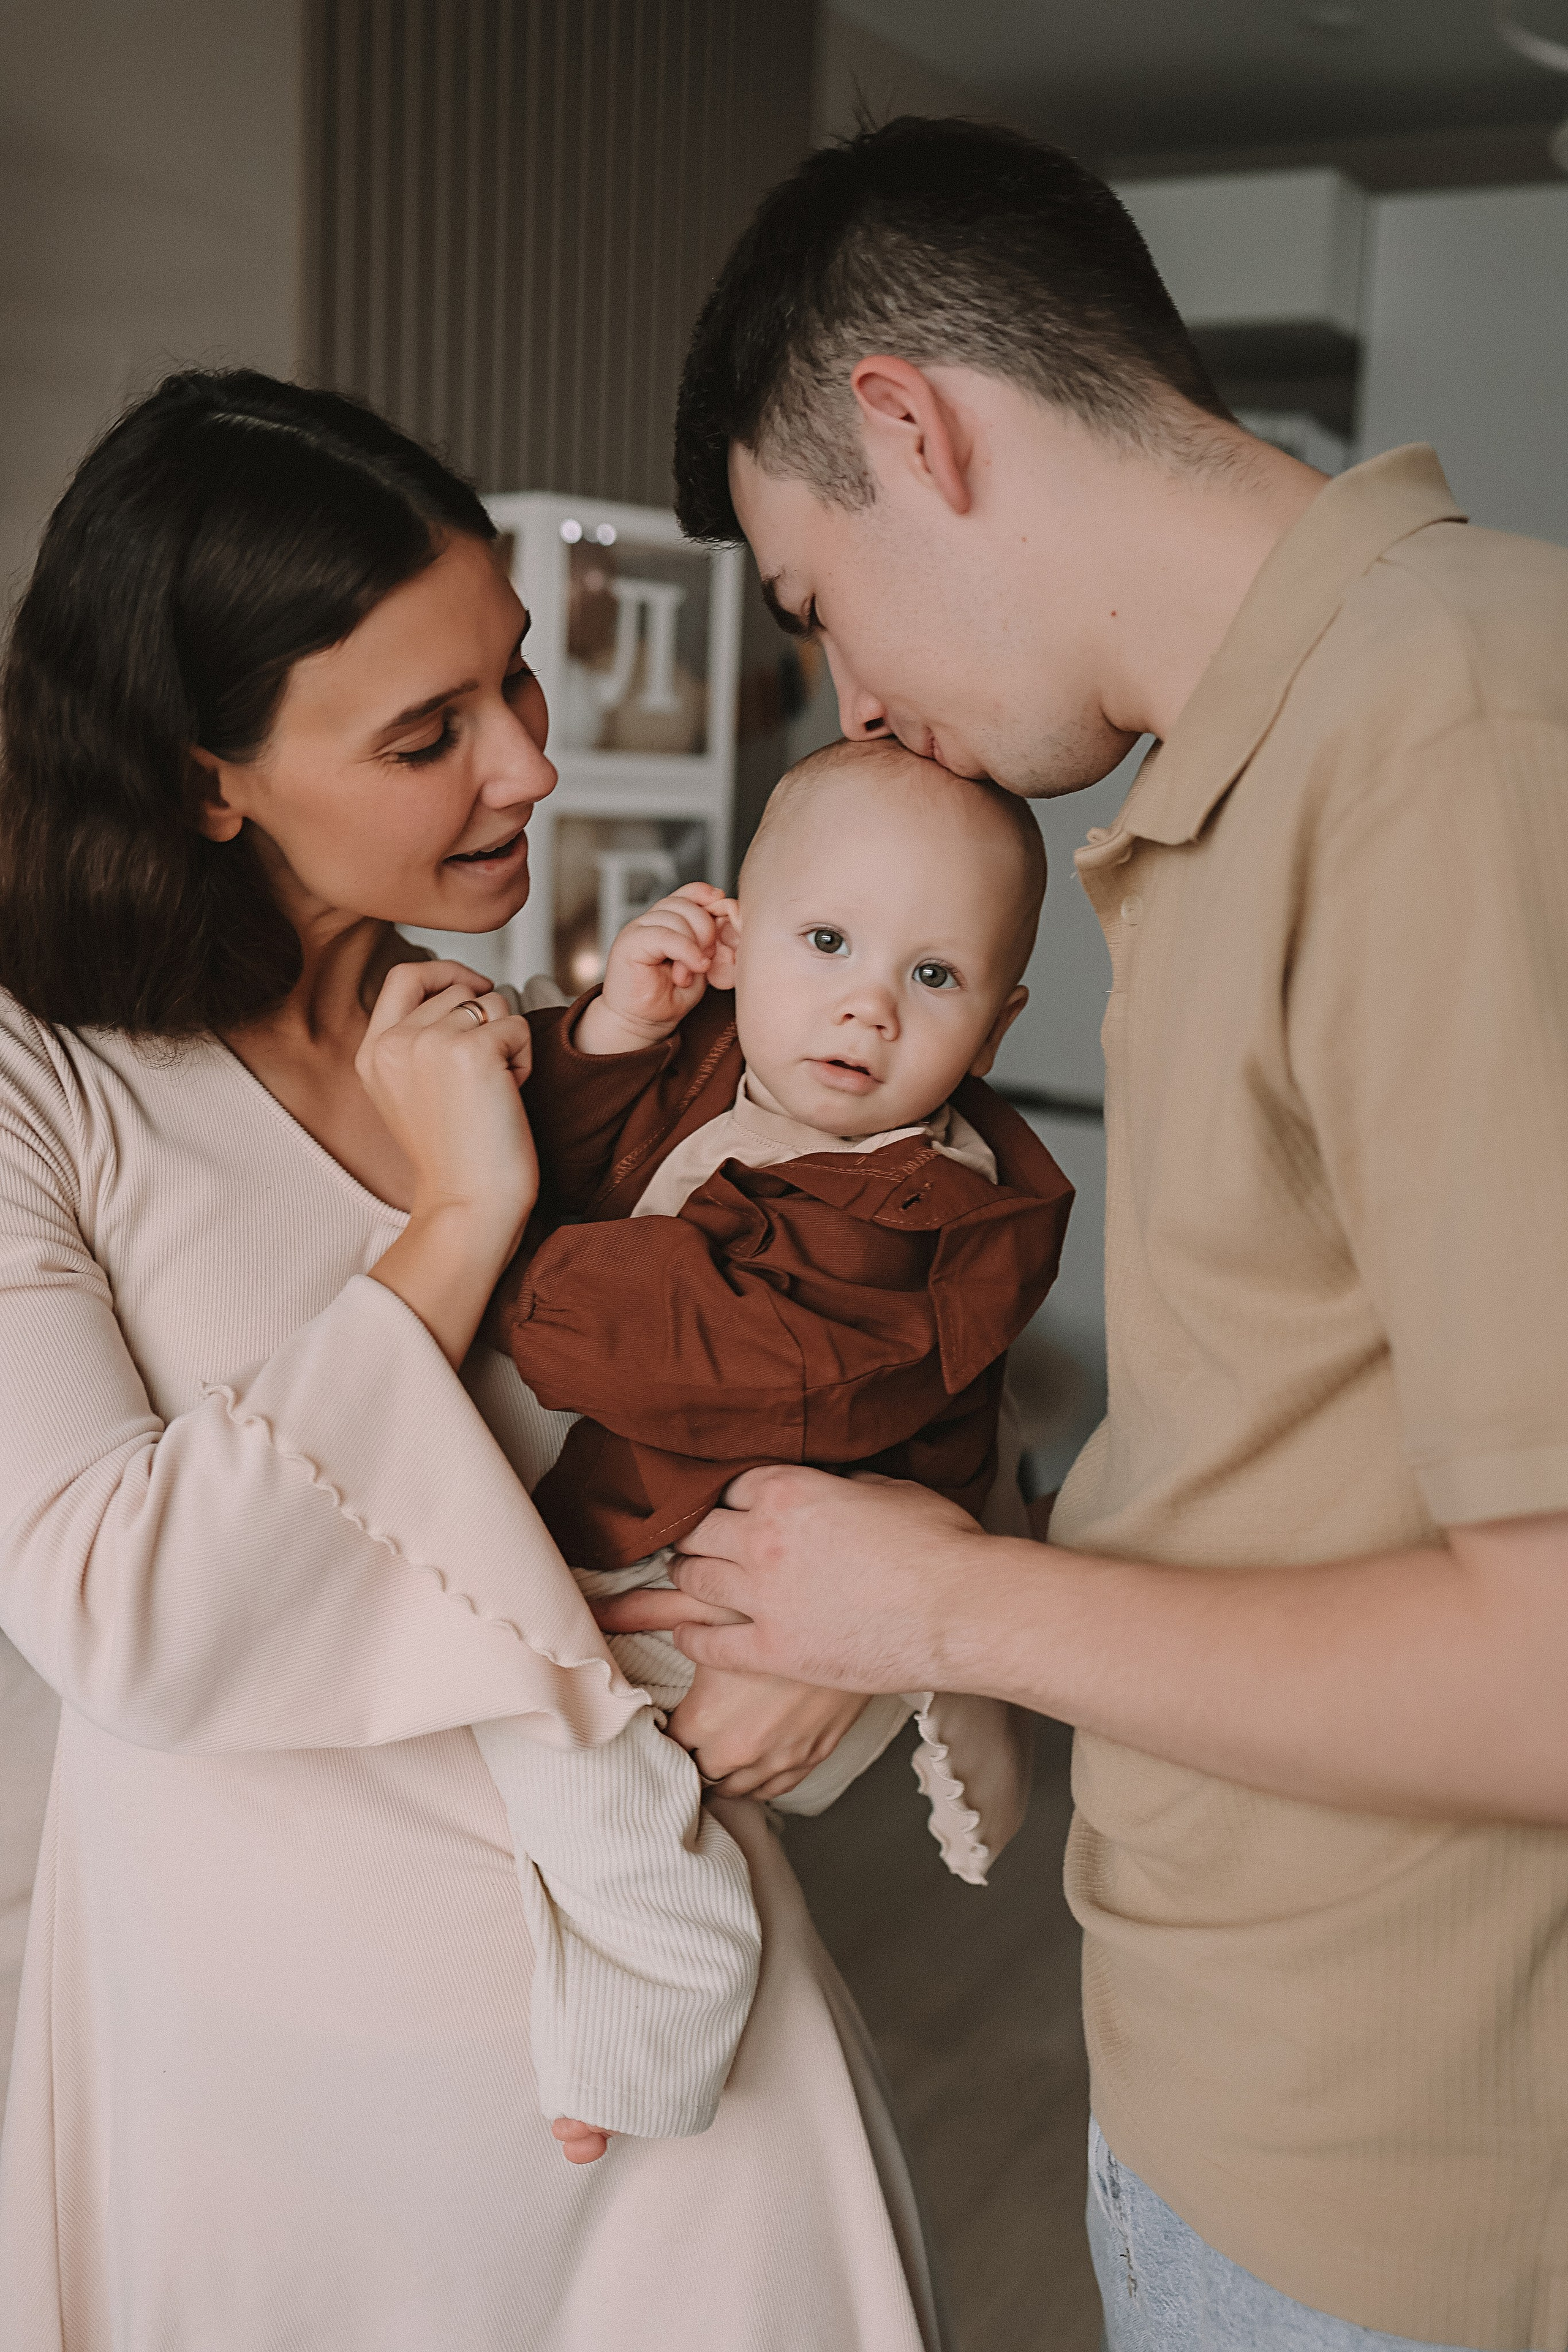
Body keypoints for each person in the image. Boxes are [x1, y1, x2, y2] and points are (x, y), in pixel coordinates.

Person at [600, 118, 1568, 2352]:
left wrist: (943, 1599)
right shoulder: (1275, 766)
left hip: (1385, 2170)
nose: (849, 702)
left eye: (817, 600)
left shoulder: (1451, 740)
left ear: (909, 427)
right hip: (1230, 2065)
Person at [0, 367, 951, 2350]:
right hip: (277, 2076)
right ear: (202, 777)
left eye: (516, 680)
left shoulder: (548, 1031)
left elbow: (886, 1329)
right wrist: (450, 1226)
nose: (529, 766)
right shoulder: (44, 1088)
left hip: (658, 2017)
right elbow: (121, 1609)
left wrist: (834, 1632)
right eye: (432, 733)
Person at [482, 739, 1071, 2154]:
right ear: (736, 943)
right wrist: (614, 1034)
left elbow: (709, 1346)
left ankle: (665, 1984)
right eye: (825, 942)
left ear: (993, 1029)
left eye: (932, 979)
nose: (865, 1005)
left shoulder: (915, 1206)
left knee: (545, 1730)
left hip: (759, 1588)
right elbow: (563, 1153)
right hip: (677, 1528)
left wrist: (488, 1270)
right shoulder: (713, 1064)